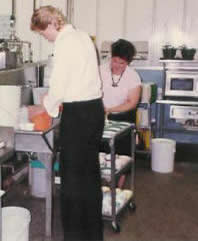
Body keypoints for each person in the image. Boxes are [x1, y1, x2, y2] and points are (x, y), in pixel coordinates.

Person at [29, 6, 104, 241]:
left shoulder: (64, 42)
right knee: (90, 178)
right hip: (94, 111)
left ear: (51, 24)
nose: (45, 38)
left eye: (43, 33)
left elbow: (59, 84)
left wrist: (46, 104)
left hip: (78, 115)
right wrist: (52, 102)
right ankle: (92, 235)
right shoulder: (83, 37)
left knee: (71, 181)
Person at [100, 39, 142, 187]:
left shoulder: (133, 77)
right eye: (115, 61)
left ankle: (117, 190)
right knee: (102, 154)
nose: (117, 66)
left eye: (122, 63)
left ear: (128, 62)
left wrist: (110, 109)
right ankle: (103, 189)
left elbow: (132, 102)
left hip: (123, 117)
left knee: (122, 157)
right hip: (102, 117)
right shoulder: (100, 70)